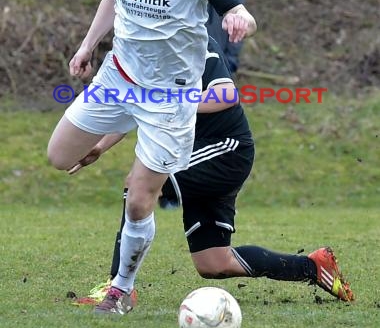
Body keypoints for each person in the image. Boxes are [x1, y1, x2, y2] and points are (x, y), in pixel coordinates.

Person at [47, 0, 256, 315]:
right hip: (117, 80)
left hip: (170, 99)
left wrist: (240, 20)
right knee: (59, 156)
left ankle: (122, 289)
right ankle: (116, 127)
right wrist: (87, 46)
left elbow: (237, 10)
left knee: (140, 197)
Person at [70, 37, 354, 311]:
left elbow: (226, 94)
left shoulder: (195, 43)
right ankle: (313, 267)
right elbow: (138, 109)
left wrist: (172, 103)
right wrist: (99, 146)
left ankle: (117, 288)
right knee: (213, 263)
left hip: (226, 150)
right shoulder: (147, 56)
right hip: (194, 152)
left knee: (138, 183)